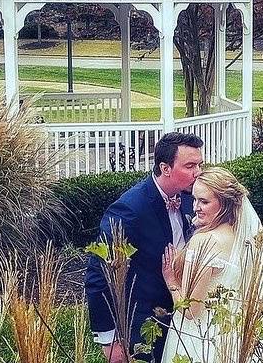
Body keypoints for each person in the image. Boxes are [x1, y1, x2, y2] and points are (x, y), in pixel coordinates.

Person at [85, 132, 204, 363]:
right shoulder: (130, 210)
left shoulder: (193, 198)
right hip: (143, 328)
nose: (198, 172)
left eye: (200, 164)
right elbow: (98, 276)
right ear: (165, 168)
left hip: (185, 321)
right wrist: (110, 340)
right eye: (190, 166)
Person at [159, 167, 263, 363]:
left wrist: (171, 281)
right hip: (232, 336)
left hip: (199, 339)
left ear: (224, 204)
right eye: (195, 199)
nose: (195, 207)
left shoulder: (203, 242)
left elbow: (190, 310)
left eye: (204, 201)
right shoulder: (246, 239)